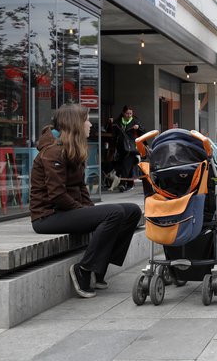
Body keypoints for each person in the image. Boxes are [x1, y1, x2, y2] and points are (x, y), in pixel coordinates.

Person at [30, 104, 142, 298]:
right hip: (47, 217)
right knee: (114, 213)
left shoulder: (71, 148)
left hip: (67, 211)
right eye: (86, 120)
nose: (90, 124)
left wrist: (88, 211)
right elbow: (57, 195)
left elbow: (80, 187)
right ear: (75, 124)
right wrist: (84, 212)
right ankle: (84, 269)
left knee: (132, 210)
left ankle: (100, 266)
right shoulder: (52, 152)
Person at [110, 105, 145, 192]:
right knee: (124, 165)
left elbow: (143, 132)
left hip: (132, 148)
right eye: (127, 113)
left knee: (127, 163)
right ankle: (129, 184)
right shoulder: (117, 122)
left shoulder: (135, 121)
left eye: (130, 113)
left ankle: (122, 183)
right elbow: (113, 135)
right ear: (123, 113)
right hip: (121, 148)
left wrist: (138, 128)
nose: (129, 115)